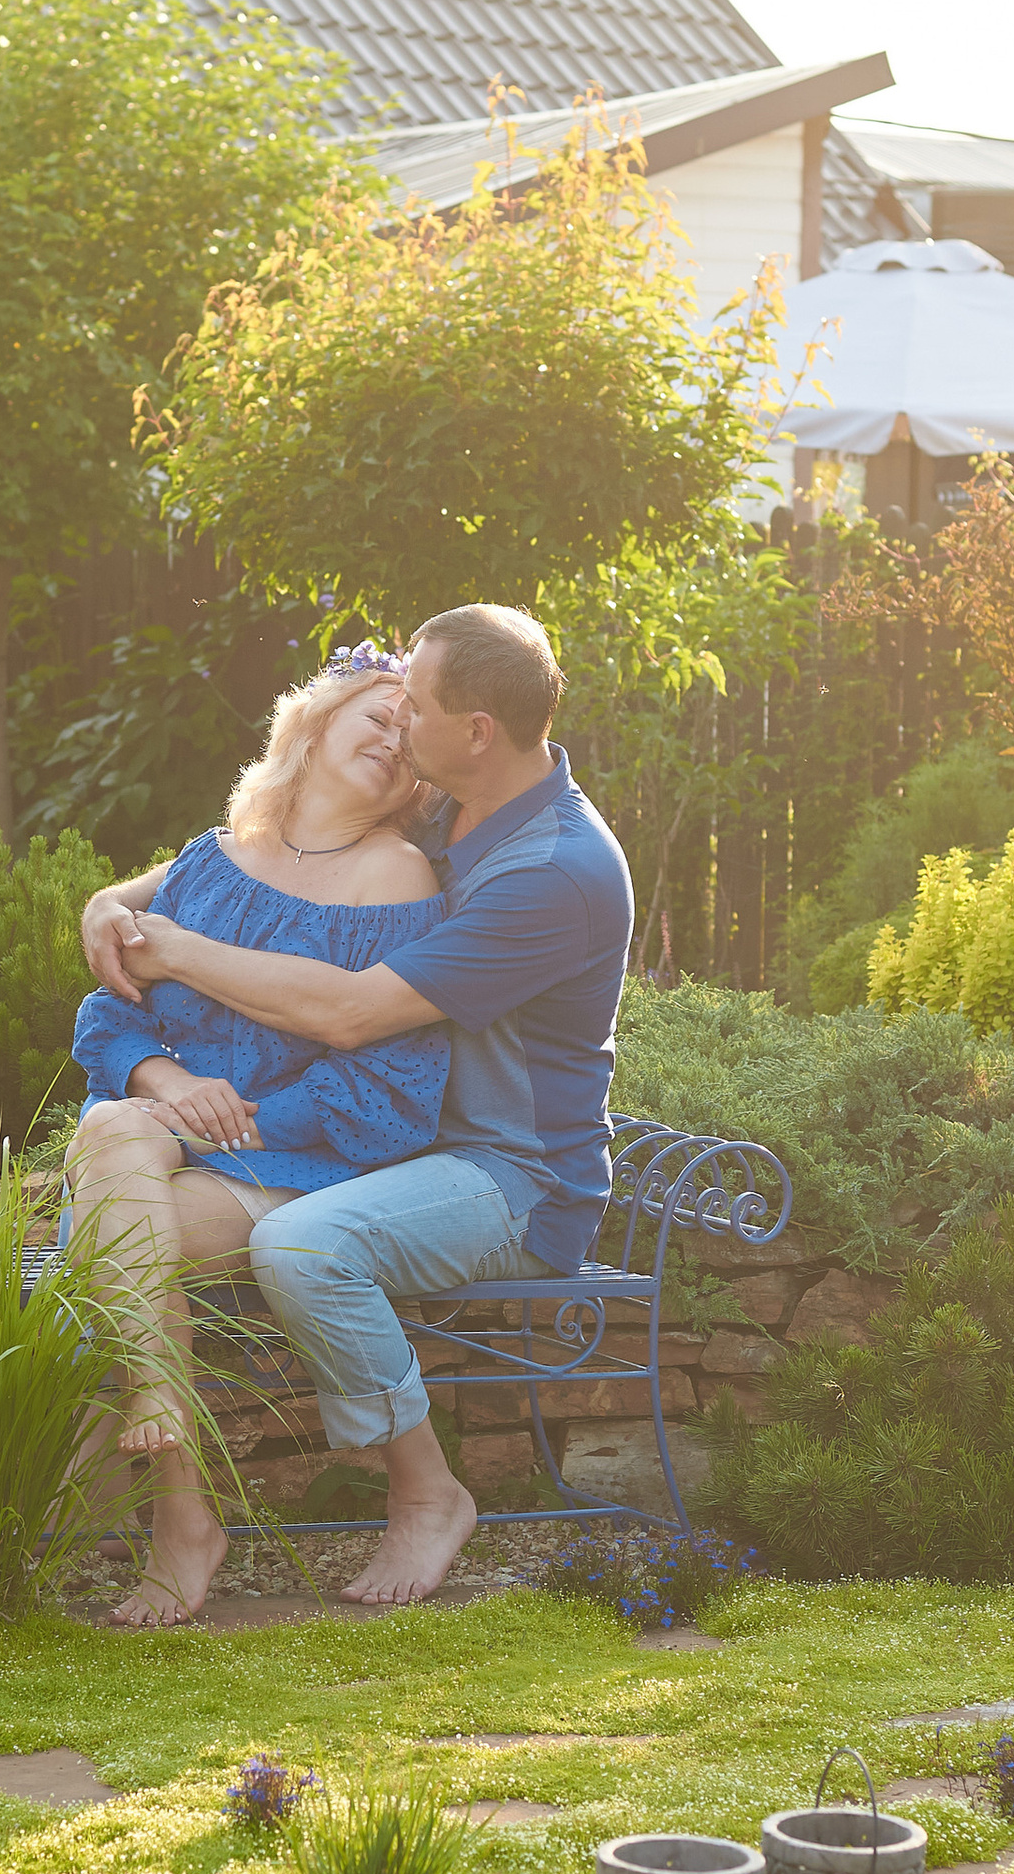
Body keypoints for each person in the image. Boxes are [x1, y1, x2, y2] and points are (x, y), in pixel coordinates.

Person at [81, 602, 633, 1605]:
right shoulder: (453, 800)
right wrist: (111, 904)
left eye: (411, 707)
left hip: (509, 1173)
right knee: (116, 1158)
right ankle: (176, 1510)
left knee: (302, 1246)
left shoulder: (554, 872)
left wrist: (164, 947)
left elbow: (346, 1016)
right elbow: (230, 864)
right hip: (405, 1153)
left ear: (472, 731)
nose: (396, 726)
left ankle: (427, 1496)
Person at [65, 653, 453, 1628]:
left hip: (291, 1164)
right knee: (114, 1123)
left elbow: (386, 1081)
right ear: (315, 720)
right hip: (167, 1136)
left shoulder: (395, 877)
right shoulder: (210, 858)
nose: (392, 736)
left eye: (412, 735)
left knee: (104, 1239)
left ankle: (169, 1514)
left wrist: (231, 1117)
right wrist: (174, 1085)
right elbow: (109, 1015)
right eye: (378, 712)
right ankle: (180, 1492)